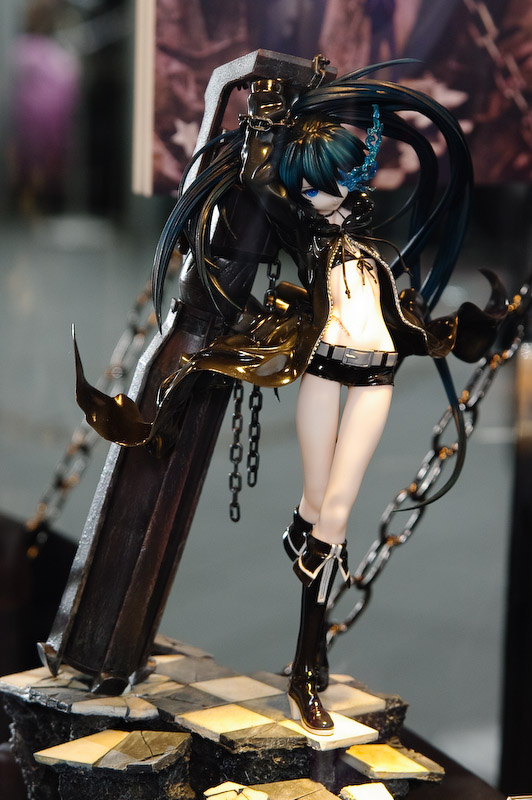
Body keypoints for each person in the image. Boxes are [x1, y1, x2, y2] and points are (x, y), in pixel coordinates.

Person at [76, 59, 506, 735]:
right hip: (324, 375)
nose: (317, 197)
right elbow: (260, 183)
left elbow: (405, 325)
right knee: (322, 508)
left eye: (328, 183)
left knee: (335, 510)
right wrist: (269, 113)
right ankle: (308, 657)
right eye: (308, 187)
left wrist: (474, 329)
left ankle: (308, 654)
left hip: (376, 380)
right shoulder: (309, 234)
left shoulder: (372, 250)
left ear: (353, 178)